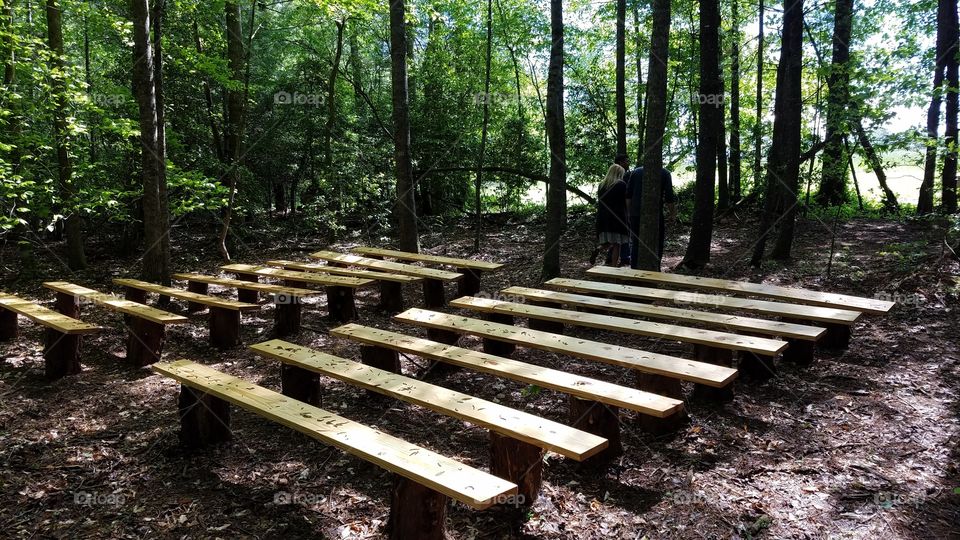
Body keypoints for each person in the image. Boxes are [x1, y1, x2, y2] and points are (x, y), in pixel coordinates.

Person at [626, 163, 677, 270]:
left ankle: (634, 269)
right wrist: (672, 214)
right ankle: (655, 268)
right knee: (657, 242)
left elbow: (628, 196)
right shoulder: (665, 173)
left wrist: (629, 213)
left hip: (636, 214)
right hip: (655, 215)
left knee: (636, 242)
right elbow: (669, 197)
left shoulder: (636, 172)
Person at [592, 164, 630, 267]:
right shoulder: (621, 184)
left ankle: (599, 248)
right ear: (619, 173)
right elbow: (625, 201)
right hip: (617, 218)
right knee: (617, 244)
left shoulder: (602, 185)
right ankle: (614, 267)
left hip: (603, 217)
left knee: (609, 240)